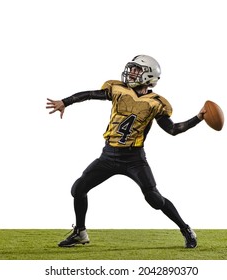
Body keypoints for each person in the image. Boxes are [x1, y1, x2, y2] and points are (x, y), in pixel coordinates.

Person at [46, 55, 206, 248]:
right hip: (108, 155)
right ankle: (80, 232)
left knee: (154, 199)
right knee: (78, 189)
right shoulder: (118, 90)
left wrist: (199, 117)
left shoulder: (156, 102)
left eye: (136, 70)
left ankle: (185, 228)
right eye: (131, 69)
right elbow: (89, 94)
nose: (131, 73)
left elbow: (173, 130)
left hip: (134, 159)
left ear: (148, 75)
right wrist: (65, 101)